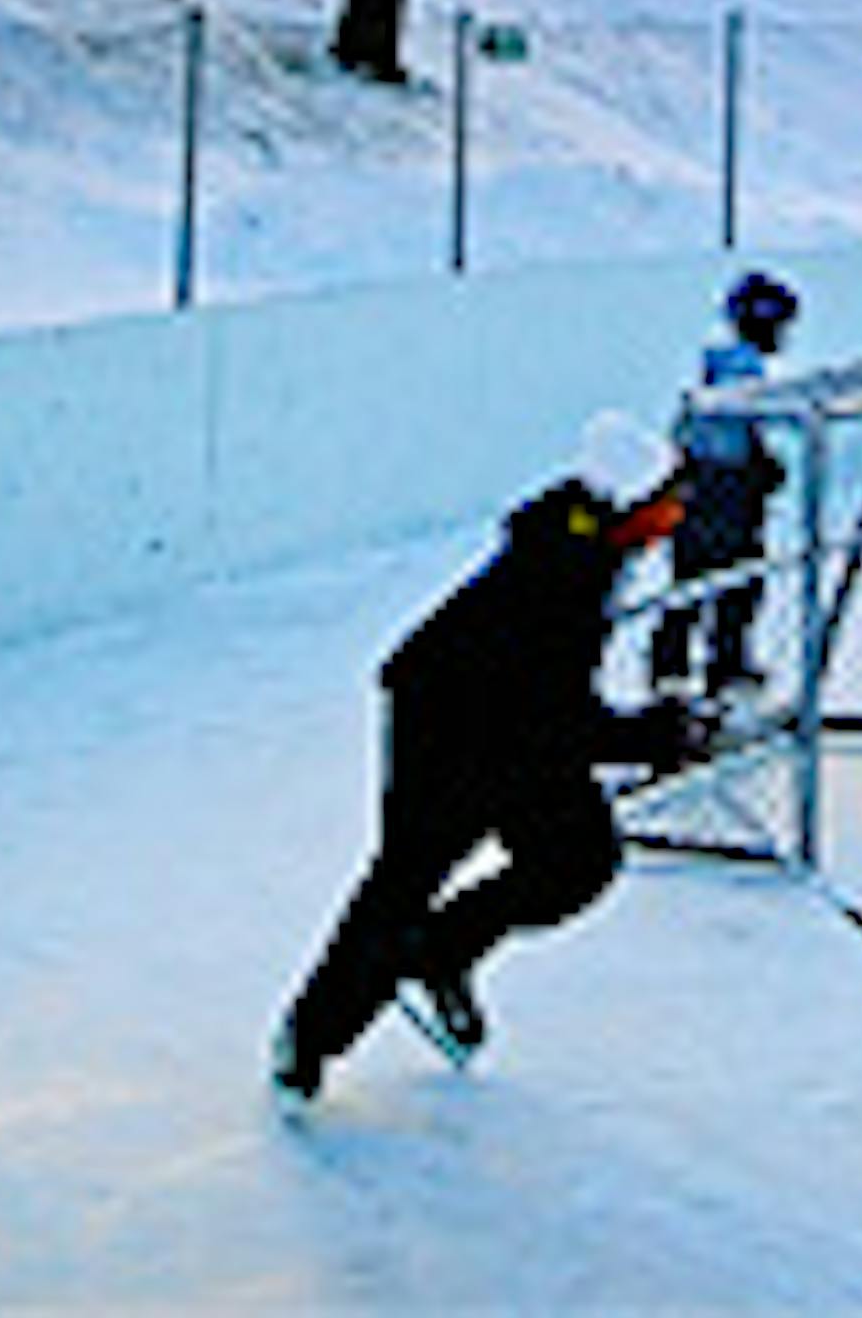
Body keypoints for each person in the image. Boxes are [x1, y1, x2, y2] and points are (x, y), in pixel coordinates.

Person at [270, 411, 699, 1104]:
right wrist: (649, 737)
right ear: (627, 507)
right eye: (666, 504)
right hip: (444, 726)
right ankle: (312, 1036)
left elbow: (549, 709)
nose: (676, 517)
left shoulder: (592, 541)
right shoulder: (559, 576)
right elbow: (555, 714)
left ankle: (440, 953)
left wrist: (643, 733)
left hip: (517, 722)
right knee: (406, 877)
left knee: (578, 861)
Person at [652, 267, 800, 697]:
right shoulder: (740, 366)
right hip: (722, 488)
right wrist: (759, 465)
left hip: (702, 484)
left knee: (696, 578)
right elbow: (735, 426)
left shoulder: (720, 359)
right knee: (733, 579)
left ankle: (677, 663)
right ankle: (715, 665)